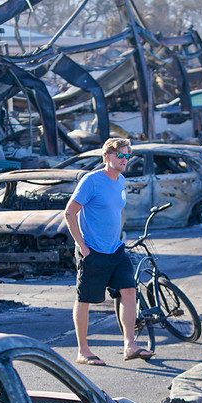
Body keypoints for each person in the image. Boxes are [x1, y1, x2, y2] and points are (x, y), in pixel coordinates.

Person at [64, 137, 154, 366]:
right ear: (107, 156)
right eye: (119, 155)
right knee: (84, 299)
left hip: (115, 248)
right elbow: (69, 213)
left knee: (129, 291)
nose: (124, 160)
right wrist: (83, 247)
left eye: (127, 156)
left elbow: (114, 212)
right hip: (92, 251)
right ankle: (83, 351)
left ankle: (129, 345)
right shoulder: (91, 181)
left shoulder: (120, 180)